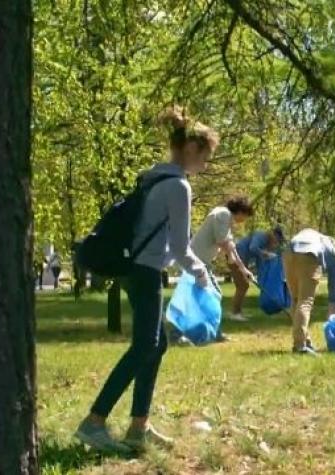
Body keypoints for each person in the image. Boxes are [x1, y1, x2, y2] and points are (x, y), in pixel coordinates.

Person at [75, 106, 217, 452]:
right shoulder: (178, 187)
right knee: (144, 346)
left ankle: (139, 426)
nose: (206, 164)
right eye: (206, 156)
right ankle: (94, 421)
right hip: (146, 271)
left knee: (157, 343)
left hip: (138, 269)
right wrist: (202, 274)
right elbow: (182, 247)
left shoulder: (154, 178)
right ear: (191, 149)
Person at [190, 196, 256, 327]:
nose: (244, 220)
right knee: (212, 295)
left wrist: (243, 269)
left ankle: (208, 329)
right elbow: (223, 242)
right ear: (241, 212)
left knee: (208, 295)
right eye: (246, 216)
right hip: (196, 260)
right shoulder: (223, 214)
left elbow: (230, 245)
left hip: (202, 261)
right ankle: (184, 330)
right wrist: (234, 260)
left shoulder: (226, 219)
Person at [283, 228, 335, 356]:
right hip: (309, 255)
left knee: (296, 300)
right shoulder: (331, 247)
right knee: (305, 302)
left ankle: (305, 340)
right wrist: (333, 305)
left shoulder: (315, 236)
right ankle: (300, 346)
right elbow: (334, 279)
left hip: (288, 253)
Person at [234, 225, 285, 316]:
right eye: (277, 240)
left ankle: (238, 312)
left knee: (243, 286)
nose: (276, 243)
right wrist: (264, 253)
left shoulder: (265, 243)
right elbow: (252, 247)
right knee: (242, 286)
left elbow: (259, 262)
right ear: (273, 234)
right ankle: (235, 313)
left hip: (241, 259)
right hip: (236, 257)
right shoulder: (261, 235)